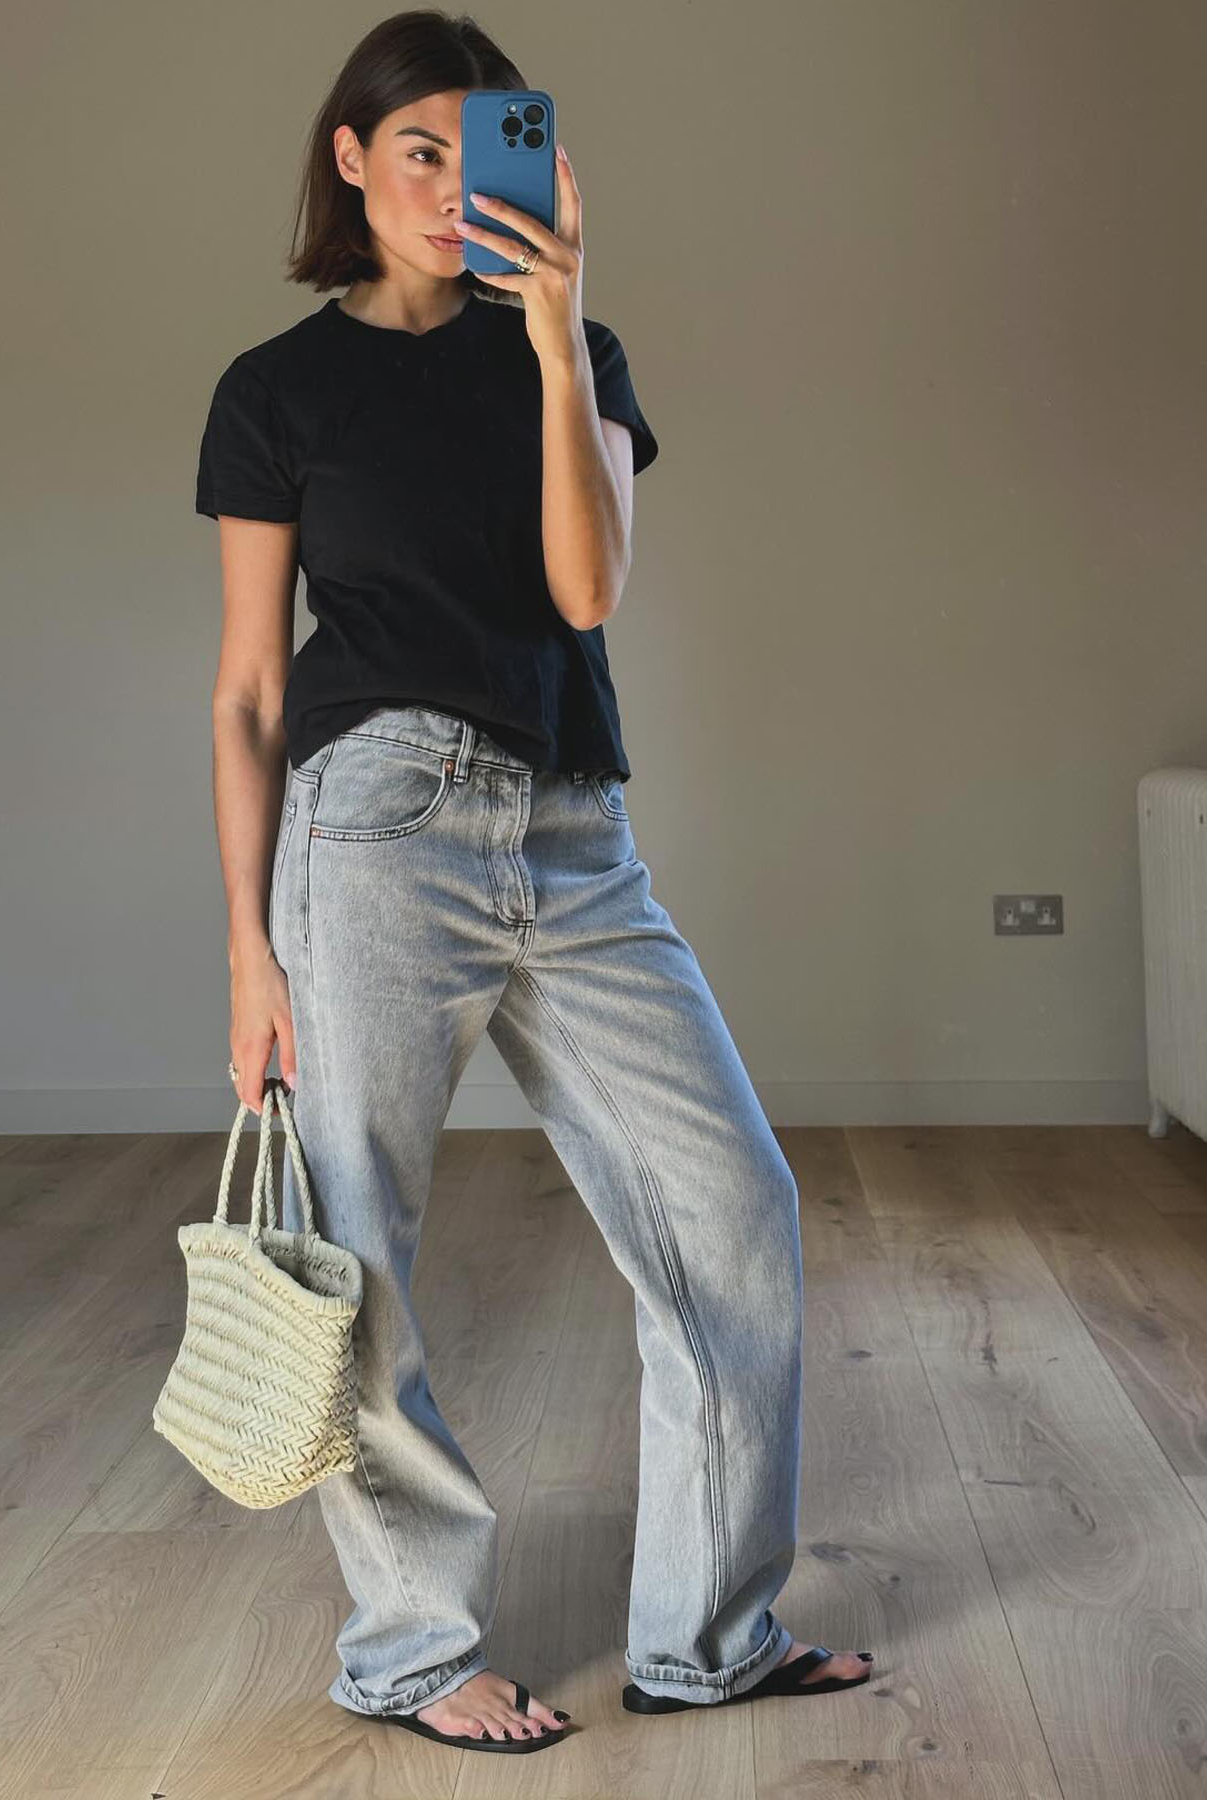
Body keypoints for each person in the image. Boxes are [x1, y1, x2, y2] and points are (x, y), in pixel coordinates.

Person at [197, 7, 873, 1758]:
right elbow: (253, 690)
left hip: (574, 835)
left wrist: (561, 342)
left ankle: (707, 1638)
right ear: (350, 161)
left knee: (732, 1214)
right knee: (363, 1258)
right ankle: (411, 1651)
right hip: (369, 832)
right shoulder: (277, 392)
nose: (444, 183)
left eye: (479, 148)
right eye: (414, 147)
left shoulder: (579, 351)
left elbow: (588, 595)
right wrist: (247, 953)